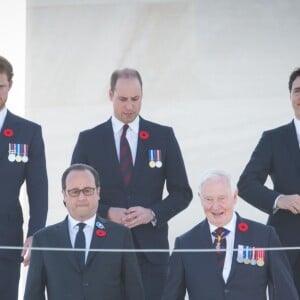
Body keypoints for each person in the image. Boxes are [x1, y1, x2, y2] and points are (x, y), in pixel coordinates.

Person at [71, 68, 192, 300]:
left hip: (151, 256)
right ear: (110, 95)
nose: (129, 106)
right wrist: (105, 212)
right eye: (123, 99)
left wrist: (152, 213)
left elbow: (182, 193)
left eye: (135, 99)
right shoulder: (89, 140)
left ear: (142, 96)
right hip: (102, 251)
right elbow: (72, 196)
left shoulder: (163, 136)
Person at [162, 170, 298, 300]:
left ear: (234, 196)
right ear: (200, 198)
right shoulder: (185, 244)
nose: (215, 207)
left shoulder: (264, 236)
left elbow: (285, 292)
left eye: (222, 198)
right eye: (209, 199)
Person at [24, 163, 144, 300]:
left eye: (87, 190)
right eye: (74, 192)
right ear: (63, 195)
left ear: (98, 192)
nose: (81, 198)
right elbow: (33, 295)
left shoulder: (120, 236)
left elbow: (134, 291)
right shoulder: (44, 239)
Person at [237, 67, 300, 296]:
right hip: (284, 247)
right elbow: (246, 184)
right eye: (297, 91)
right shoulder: (273, 139)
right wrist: (279, 199)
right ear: (290, 96)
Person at [0, 55, 48, 300]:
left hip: (6, 236)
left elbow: (38, 188)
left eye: (0, 86)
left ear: (10, 85)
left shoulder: (28, 132)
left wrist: (35, 233)